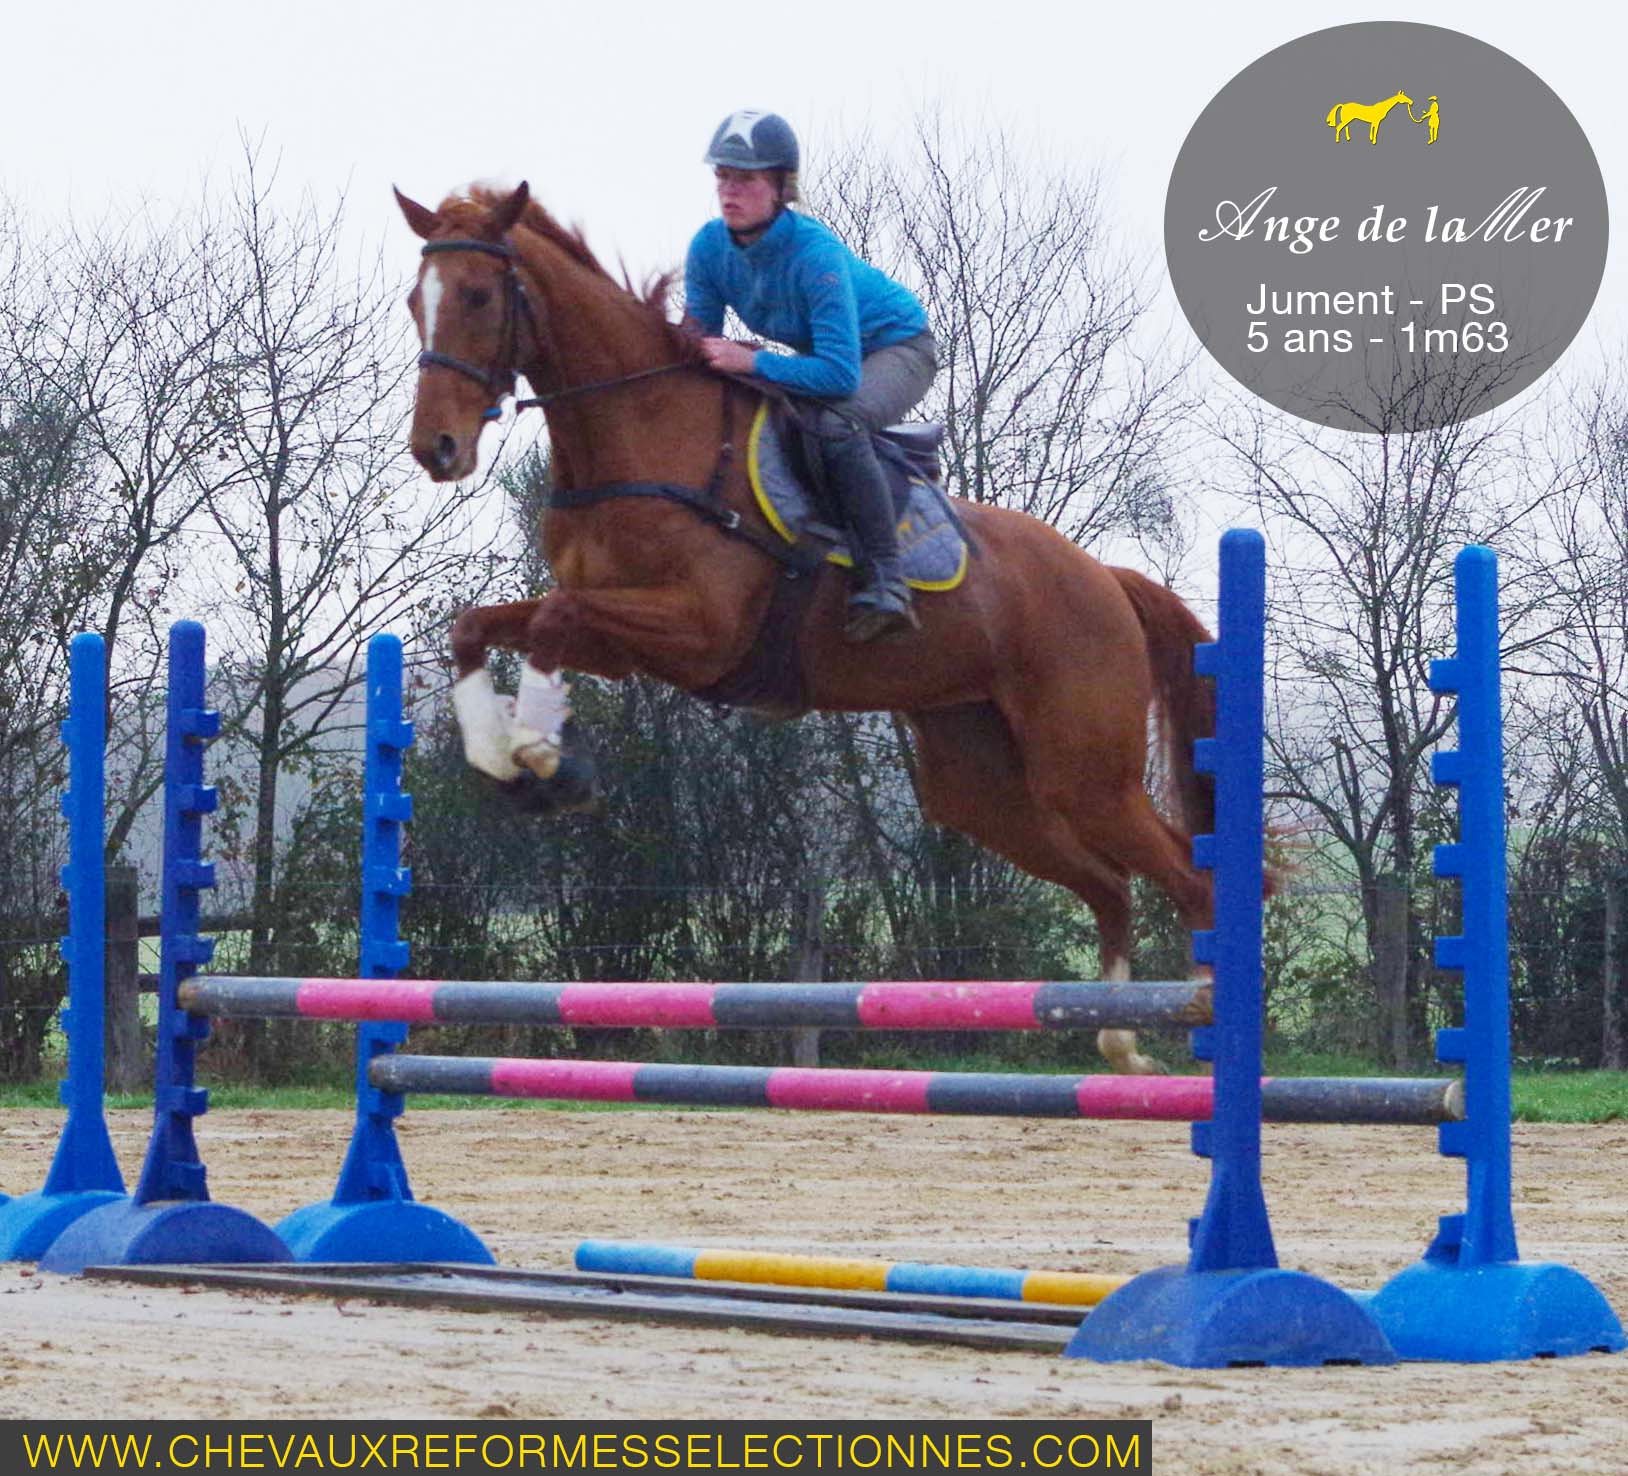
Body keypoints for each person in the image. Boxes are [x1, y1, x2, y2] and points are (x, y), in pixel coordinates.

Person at [683, 110, 938, 642]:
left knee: (836, 421)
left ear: (780, 187)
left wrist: (750, 360)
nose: (730, 191)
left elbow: (841, 376)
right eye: (723, 177)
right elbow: (697, 344)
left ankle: (888, 578)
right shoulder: (708, 248)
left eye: (746, 179)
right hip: (835, 357)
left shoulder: (813, 254)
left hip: (899, 348)